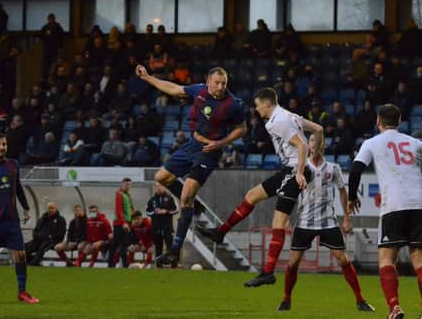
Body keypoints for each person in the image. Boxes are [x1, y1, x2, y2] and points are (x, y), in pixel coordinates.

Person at [197, 88, 323, 287]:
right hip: (289, 170)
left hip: (293, 171)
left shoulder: (279, 120)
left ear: (266, 103)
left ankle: (268, 272)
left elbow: (301, 145)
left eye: (257, 105)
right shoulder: (290, 116)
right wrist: (314, 158)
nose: (256, 109)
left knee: (278, 221)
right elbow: (318, 129)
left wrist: (301, 170)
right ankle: (220, 232)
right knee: (252, 195)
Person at [347, 104, 422, 319]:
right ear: (399, 121)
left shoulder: (371, 143)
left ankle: (394, 307)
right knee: (420, 258)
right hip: (418, 204)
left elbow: (356, 170)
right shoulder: (416, 143)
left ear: (378, 121)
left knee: (386, 259)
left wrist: (351, 198)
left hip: (393, 205)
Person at [136, 65, 246, 268]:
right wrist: (148, 78)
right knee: (161, 178)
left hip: (209, 151)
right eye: (217, 83)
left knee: (185, 196)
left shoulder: (233, 104)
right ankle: (193, 207)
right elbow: (173, 88)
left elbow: (242, 128)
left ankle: (174, 251)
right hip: (192, 144)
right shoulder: (200, 90)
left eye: (224, 83)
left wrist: (221, 143)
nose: (221, 87)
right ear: (208, 80)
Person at [277, 134, 374, 312]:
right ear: (308, 145)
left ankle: (360, 300)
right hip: (304, 221)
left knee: (343, 259)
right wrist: (285, 219)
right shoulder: (301, 167)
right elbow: (289, 194)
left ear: (324, 146)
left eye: (318, 140)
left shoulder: (333, 168)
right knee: (293, 262)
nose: (315, 143)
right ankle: (286, 300)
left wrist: (346, 217)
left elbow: (343, 192)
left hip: (328, 221)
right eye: (312, 140)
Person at [0, 133, 39, 304]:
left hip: (11, 219)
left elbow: (18, 188)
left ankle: (22, 292)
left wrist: (25, 208)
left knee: (21, 256)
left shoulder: (13, 165)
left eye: (4, 144)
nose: (2, 147)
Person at [25, 202, 66, 266]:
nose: (50, 210)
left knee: (42, 247)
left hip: (52, 240)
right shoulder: (42, 218)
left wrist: (51, 236)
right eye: (49, 208)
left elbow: (62, 233)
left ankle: (33, 264)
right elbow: (36, 229)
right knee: (25, 247)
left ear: (56, 208)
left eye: (52, 208)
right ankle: (29, 261)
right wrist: (35, 235)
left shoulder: (60, 219)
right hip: (39, 239)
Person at [145, 182, 178, 260]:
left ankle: (172, 265)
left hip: (167, 227)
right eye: (157, 186)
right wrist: (154, 212)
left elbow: (176, 210)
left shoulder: (170, 197)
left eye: (160, 186)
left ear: (165, 187)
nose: (158, 188)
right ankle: (159, 264)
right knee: (158, 247)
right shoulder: (152, 199)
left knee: (170, 246)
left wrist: (166, 211)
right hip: (156, 227)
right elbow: (147, 211)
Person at [108, 178, 134, 268]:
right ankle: (121, 265)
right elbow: (119, 210)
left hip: (126, 222)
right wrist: (124, 223)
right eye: (126, 184)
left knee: (119, 244)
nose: (128, 186)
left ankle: (113, 264)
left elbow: (130, 209)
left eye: (129, 184)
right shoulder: (119, 194)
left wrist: (132, 215)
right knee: (121, 244)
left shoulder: (127, 195)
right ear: (122, 184)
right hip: (120, 223)